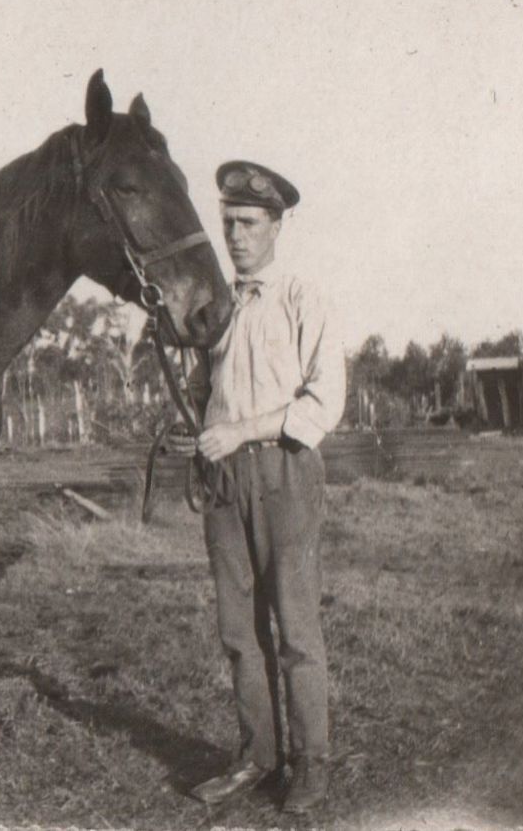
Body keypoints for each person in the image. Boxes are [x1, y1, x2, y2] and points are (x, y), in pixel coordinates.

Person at [186, 160, 345, 814]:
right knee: (236, 629)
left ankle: (312, 763)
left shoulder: (303, 296)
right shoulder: (217, 303)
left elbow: (322, 402)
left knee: (297, 627)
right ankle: (257, 755)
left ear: (277, 225)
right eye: (228, 223)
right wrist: (199, 442)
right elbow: (205, 392)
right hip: (225, 480)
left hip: (285, 471)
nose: (236, 236)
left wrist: (243, 430)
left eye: (249, 223)